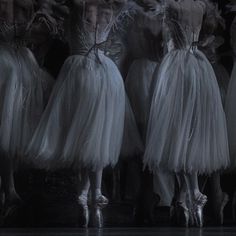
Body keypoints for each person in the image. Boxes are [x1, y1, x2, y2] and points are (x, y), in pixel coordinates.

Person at [26, 0, 133, 228]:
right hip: (106, 72)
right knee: (96, 134)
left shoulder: (76, 5)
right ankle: (92, 193)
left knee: (86, 135)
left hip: (80, 72)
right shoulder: (111, 6)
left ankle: (86, 195)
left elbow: (48, 9)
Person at [137, 0, 229, 227]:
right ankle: (190, 197)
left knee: (178, 132)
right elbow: (209, 31)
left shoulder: (171, 6)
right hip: (198, 65)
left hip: (176, 66)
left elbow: (153, 18)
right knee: (188, 134)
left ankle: (192, 194)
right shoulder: (201, 6)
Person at [0, 0, 55, 217]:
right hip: (6, 63)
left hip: (19, 65)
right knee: (7, 127)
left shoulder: (28, 7)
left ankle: (8, 187)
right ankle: (8, 188)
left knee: (11, 127)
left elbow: (46, 34)